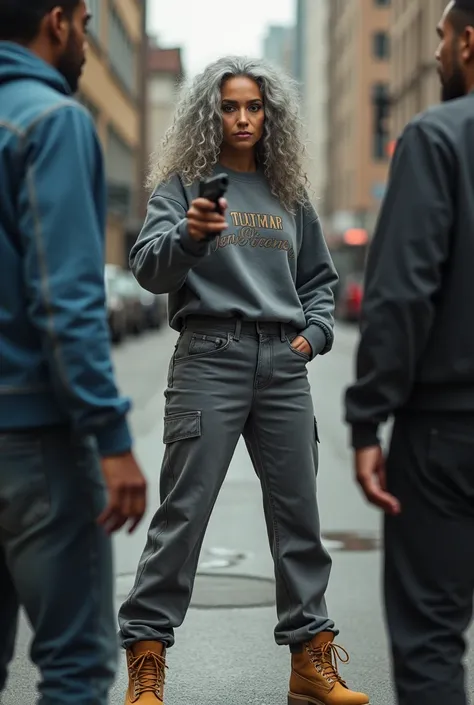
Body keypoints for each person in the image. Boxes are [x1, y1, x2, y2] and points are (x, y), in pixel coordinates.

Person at [119, 55, 369, 705]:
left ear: (270, 114)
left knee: (300, 517)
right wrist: (191, 237)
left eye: (254, 106)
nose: (243, 118)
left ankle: (310, 664)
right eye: (230, 106)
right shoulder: (183, 184)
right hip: (209, 355)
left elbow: (319, 279)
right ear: (211, 113)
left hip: (283, 366)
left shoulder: (289, 192)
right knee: (183, 513)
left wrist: (313, 335)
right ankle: (147, 660)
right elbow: (149, 269)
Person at [0, 1, 147, 703]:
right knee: (75, 667)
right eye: (89, 24)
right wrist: (112, 437)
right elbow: (67, 302)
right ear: (56, 21)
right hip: (36, 441)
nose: (89, 41)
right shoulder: (53, 120)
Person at [345, 2, 474, 704]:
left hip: (445, 435)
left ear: (470, 41)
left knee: (430, 638)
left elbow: (399, 297)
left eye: (443, 37)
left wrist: (368, 421)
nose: (437, 54)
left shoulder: (437, 137)